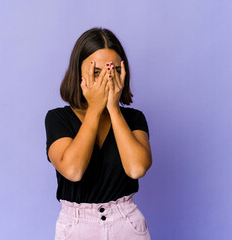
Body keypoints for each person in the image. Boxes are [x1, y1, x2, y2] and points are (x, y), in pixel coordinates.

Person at [45, 27, 152, 240]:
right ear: (79, 74)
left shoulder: (134, 119)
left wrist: (113, 108)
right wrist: (95, 108)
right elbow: (73, 171)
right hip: (77, 226)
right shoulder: (58, 119)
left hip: (126, 223)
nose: (106, 79)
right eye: (97, 72)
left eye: (113, 71)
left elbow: (137, 168)